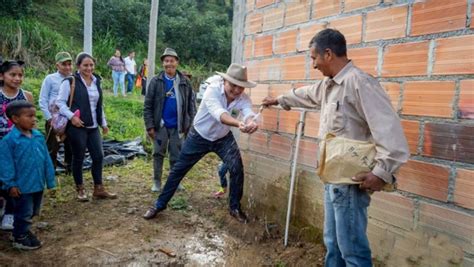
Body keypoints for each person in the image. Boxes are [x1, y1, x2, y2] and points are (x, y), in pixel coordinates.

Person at [262, 29, 409, 266]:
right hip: (332, 178)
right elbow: (305, 94)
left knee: (352, 249)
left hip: (351, 181)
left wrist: (382, 173)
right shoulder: (329, 85)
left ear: (328, 54)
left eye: (314, 58)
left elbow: (390, 133)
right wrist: (279, 100)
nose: (313, 65)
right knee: (333, 243)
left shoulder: (359, 83)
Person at [143, 63, 259, 224]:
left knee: (236, 168)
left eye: (241, 87)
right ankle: (159, 205)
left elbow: (248, 113)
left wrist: (251, 122)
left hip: (223, 138)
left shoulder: (243, 98)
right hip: (199, 136)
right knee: (178, 170)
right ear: (225, 81)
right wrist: (239, 124)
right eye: (233, 85)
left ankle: (234, 208)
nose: (237, 90)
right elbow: (219, 113)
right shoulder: (212, 90)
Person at [57, 52, 116, 201]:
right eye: (85, 65)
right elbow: (60, 103)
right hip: (77, 127)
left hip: (93, 126)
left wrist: (103, 123)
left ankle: (99, 188)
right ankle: (80, 189)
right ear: (78, 66)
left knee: (98, 156)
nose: (89, 68)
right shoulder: (70, 81)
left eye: (91, 65)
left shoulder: (97, 81)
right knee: (79, 157)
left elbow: (98, 105)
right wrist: (72, 117)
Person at [0, 101, 56, 250]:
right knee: (23, 212)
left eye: (34, 116)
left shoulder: (38, 136)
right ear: (15, 119)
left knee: (32, 210)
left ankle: (23, 230)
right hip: (21, 186)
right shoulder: (9, 141)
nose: (34, 119)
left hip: (37, 183)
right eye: (29, 116)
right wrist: (10, 184)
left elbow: (46, 159)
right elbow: (5, 165)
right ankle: (19, 237)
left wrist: (50, 180)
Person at [143, 48, 197, 192]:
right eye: (166, 61)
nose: (169, 64)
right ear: (163, 63)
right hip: (160, 125)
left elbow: (191, 105)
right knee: (158, 153)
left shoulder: (185, 82)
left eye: (172, 61)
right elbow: (148, 106)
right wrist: (150, 126)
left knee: (176, 155)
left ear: (177, 62)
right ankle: (157, 181)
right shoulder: (156, 81)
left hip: (178, 126)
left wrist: (189, 125)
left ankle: (175, 182)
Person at [0, 60, 34, 231]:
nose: (17, 78)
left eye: (20, 75)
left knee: (17, 180)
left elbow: (31, 120)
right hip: (1, 145)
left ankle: (11, 213)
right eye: (12, 75)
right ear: (2, 76)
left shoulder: (26, 96)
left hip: (21, 146)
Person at [38, 52, 73, 172]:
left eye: (69, 64)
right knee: (53, 147)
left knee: (70, 145)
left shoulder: (73, 79)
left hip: (69, 118)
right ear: (57, 65)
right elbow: (43, 100)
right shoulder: (50, 79)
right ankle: (50, 171)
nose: (67, 67)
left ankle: (70, 168)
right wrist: (49, 118)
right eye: (64, 64)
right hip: (54, 119)